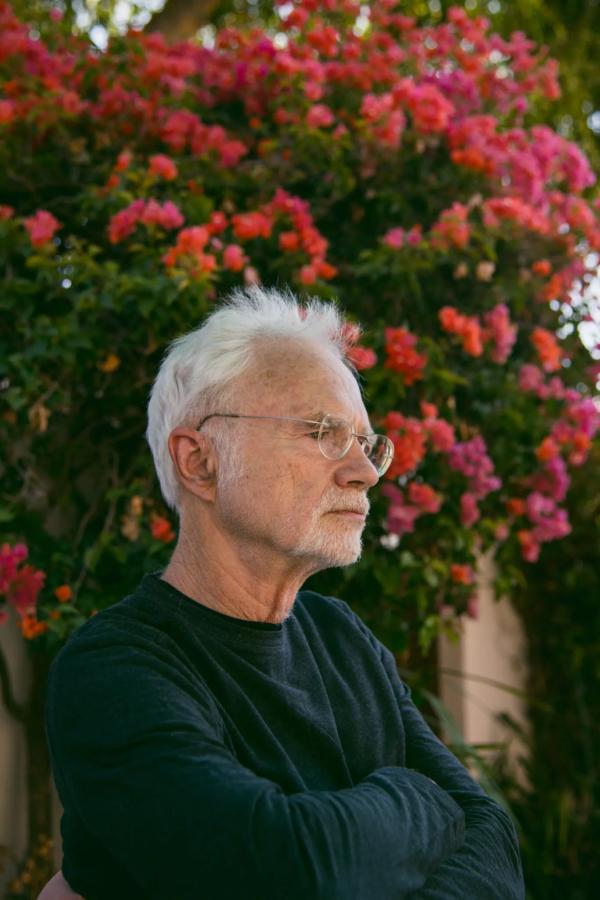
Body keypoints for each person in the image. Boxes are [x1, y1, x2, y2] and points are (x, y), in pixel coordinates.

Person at [44, 286, 524, 900]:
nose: (365, 472)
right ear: (199, 462)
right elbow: (284, 868)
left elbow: (494, 841)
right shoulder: (114, 670)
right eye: (322, 431)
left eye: (366, 443)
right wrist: (421, 796)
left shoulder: (343, 639)